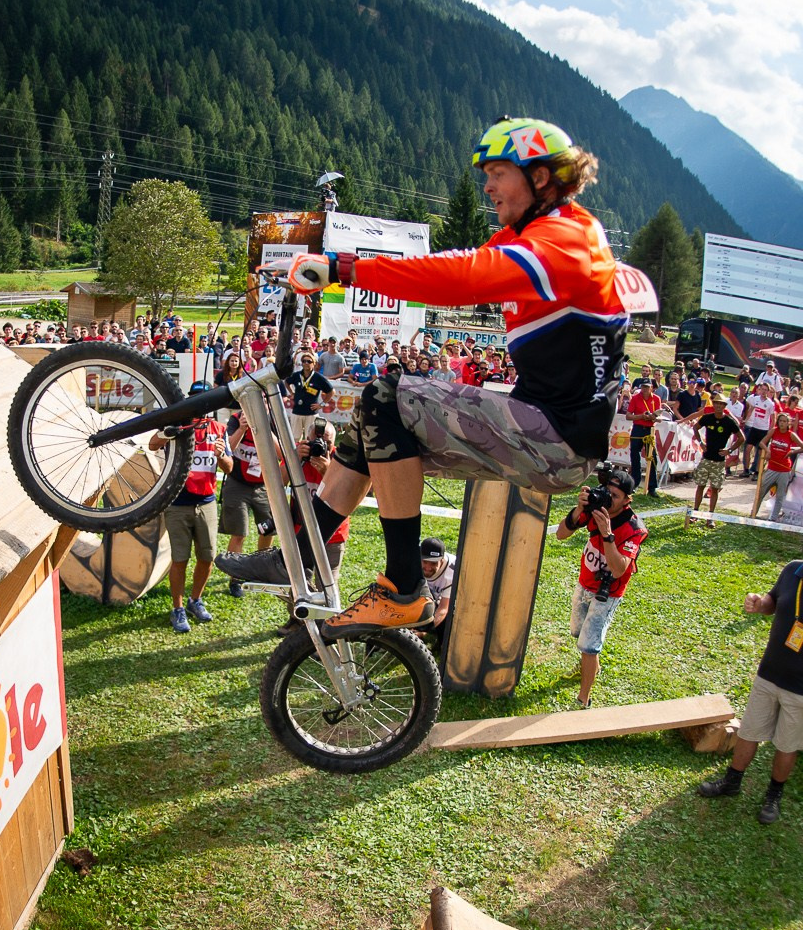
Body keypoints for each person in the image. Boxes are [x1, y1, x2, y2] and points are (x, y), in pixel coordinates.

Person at [219, 116, 629, 638]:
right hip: (549, 431)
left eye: (499, 172)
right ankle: (301, 551)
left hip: (556, 439)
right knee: (369, 426)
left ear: (541, 178)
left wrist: (344, 268)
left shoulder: (566, 240)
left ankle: (405, 585)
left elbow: (460, 278)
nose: (487, 186)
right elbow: (461, 260)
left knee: (385, 395)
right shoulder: (537, 234)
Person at [697, 525, 803, 824]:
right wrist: (760, 603)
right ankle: (732, 781)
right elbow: (773, 600)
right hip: (769, 673)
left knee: (787, 743)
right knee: (750, 731)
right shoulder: (792, 571)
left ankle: (773, 795)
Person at [553, 464, 645, 709]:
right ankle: (588, 666)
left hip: (608, 592)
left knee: (589, 645)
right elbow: (560, 534)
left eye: (615, 496)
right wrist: (578, 510)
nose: (608, 498)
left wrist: (607, 534)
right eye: (607, 491)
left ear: (628, 499)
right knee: (578, 633)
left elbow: (618, 569)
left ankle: (584, 698)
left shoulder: (634, 528)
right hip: (585, 583)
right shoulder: (595, 508)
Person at [148, 384, 232, 633]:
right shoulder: (178, 425)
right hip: (178, 503)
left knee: (207, 558)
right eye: (196, 401)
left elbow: (229, 468)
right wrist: (167, 434)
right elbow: (153, 444)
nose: (201, 406)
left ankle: (196, 599)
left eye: (205, 401)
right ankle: (177, 608)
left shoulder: (219, 429)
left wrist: (221, 456)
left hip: (206, 502)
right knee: (180, 559)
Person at [217, 407, 277, 595]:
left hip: (263, 485)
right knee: (239, 533)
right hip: (238, 483)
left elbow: (282, 454)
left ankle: (260, 571)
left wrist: (264, 427)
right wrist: (242, 429)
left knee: (267, 531)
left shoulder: (274, 419)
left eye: (263, 401)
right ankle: (235, 579)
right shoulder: (236, 419)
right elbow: (228, 450)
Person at [687, 390, 743, 521]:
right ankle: (695, 513)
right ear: (714, 404)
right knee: (700, 485)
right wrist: (701, 442)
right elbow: (695, 427)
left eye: (721, 404)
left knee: (715, 489)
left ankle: (710, 516)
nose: (718, 406)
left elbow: (741, 438)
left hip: (719, 461)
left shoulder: (729, 422)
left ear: (724, 406)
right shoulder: (708, 417)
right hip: (706, 457)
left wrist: (729, 450)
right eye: (716, 403)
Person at [751, 411, 803, 522]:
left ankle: (773, 518)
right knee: (761, 491)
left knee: (780, 496)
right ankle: (753, 514)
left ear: (788, 423)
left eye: (784, 421)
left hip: (784, 469)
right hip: (772, 467)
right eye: (780, 421)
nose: (782, 423)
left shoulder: (791, 434)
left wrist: (791, 452)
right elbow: (762, 442)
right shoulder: (774, 431)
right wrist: (768, 450)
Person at [626, 377, 662, 497]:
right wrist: (641, 416)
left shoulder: (656, 399)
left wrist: (653, 417)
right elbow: (628, 415)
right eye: (643, 387)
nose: (645, 389)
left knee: (652, 457)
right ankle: (635, 483)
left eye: (647, 387)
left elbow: (659, 416)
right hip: (637, 429)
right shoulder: (636, 398)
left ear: (652, 388)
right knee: (634, 456)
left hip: (649, 430)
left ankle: (652, 487)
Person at [420, 537, 459, 649]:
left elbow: (443, 609)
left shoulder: (451, 572)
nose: (428, 567)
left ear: (441, 560)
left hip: (451, 603)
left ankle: (437, 639)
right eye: (425, 561)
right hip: (429, 596)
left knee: (447, 621)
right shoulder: (414, 561)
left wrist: (427, 628)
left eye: (433, 563)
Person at [287, 350, 333, 443]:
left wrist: (322, 404)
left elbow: (331, 391)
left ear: (314, 364)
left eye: (309, 361)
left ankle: (308, 457)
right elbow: (287, 382)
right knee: (294, 439)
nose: (306, 363)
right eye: (304, 361)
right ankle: (296, 457)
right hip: (297, 411)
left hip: (311, 413)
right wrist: (292, 393)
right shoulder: (297, 375)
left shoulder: (318, 378)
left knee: (311, 438)